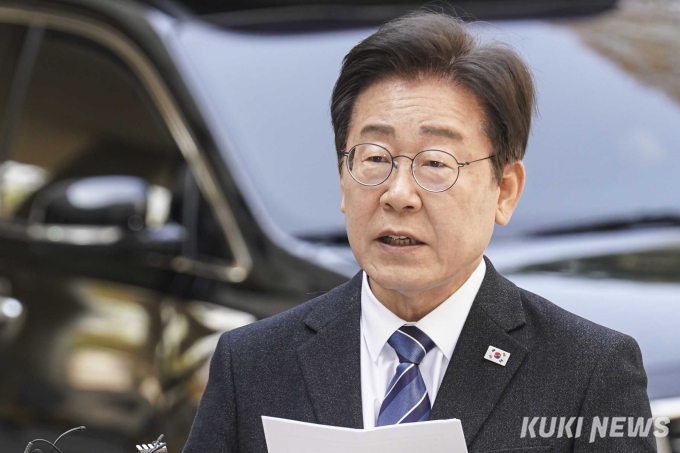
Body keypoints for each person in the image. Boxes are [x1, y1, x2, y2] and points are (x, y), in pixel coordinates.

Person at [182, 11, 655, 453]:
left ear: (505, 190)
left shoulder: (589, 370)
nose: (399, 194)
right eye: (375, 158)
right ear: (343, 178)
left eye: (435, 163)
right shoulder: (253, 363)